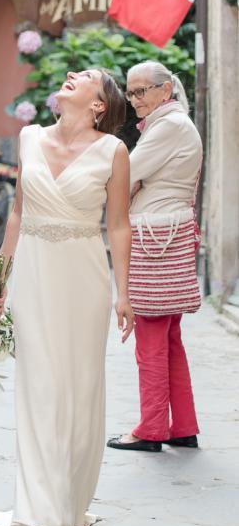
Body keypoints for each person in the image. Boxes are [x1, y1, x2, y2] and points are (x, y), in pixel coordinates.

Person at [0, 69, 134, 526]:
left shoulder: (114, 152)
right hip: (34, 275)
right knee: (39, 390)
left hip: (84, 280)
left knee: (80, 390)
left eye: (85, 77)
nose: (71, 75)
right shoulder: (28, 137)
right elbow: (19, 213)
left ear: (99, 106)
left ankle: (69, 502)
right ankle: (43, 514)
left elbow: (118, 227)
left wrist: (123, 293)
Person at [107, 61, 202, 453]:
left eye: (141, 91)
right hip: (167, 235)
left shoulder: (169, 126)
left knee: (150, 338)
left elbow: (125, 173)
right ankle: (182, 425)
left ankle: (150, 429)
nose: (134, 100)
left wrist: (128, 184)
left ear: (166, 91)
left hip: (154, 239)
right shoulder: (172, 124)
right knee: (168, 338)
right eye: (130, 93)